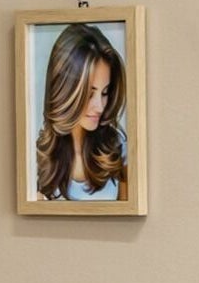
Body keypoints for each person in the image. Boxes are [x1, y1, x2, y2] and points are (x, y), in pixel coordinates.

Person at [36, 23, 130, 201]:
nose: (100, 107)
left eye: (104, 92)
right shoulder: (38, 159)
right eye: (89, 94)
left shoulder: (118, 150)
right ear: (65, 92)